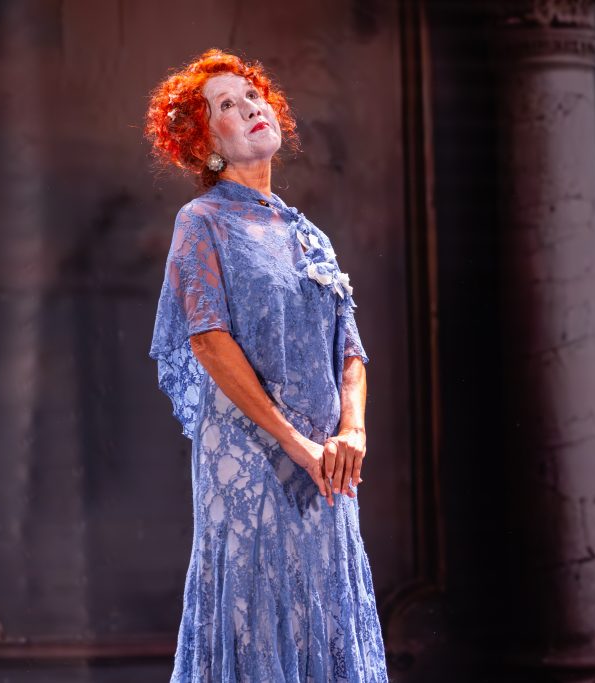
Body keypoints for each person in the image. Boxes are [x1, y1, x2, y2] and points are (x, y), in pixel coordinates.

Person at [144, 48, 389, 682]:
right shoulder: (201, 222)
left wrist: (351, 432)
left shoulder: (308, 233)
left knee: (326, 611)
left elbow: (351, 349)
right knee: (253, 615)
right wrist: (296, 444)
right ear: (204, 144)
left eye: (253, 95)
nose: (251, 106)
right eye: (226, 104)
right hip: (251, 461)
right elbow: (208, 341)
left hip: (327, 464)